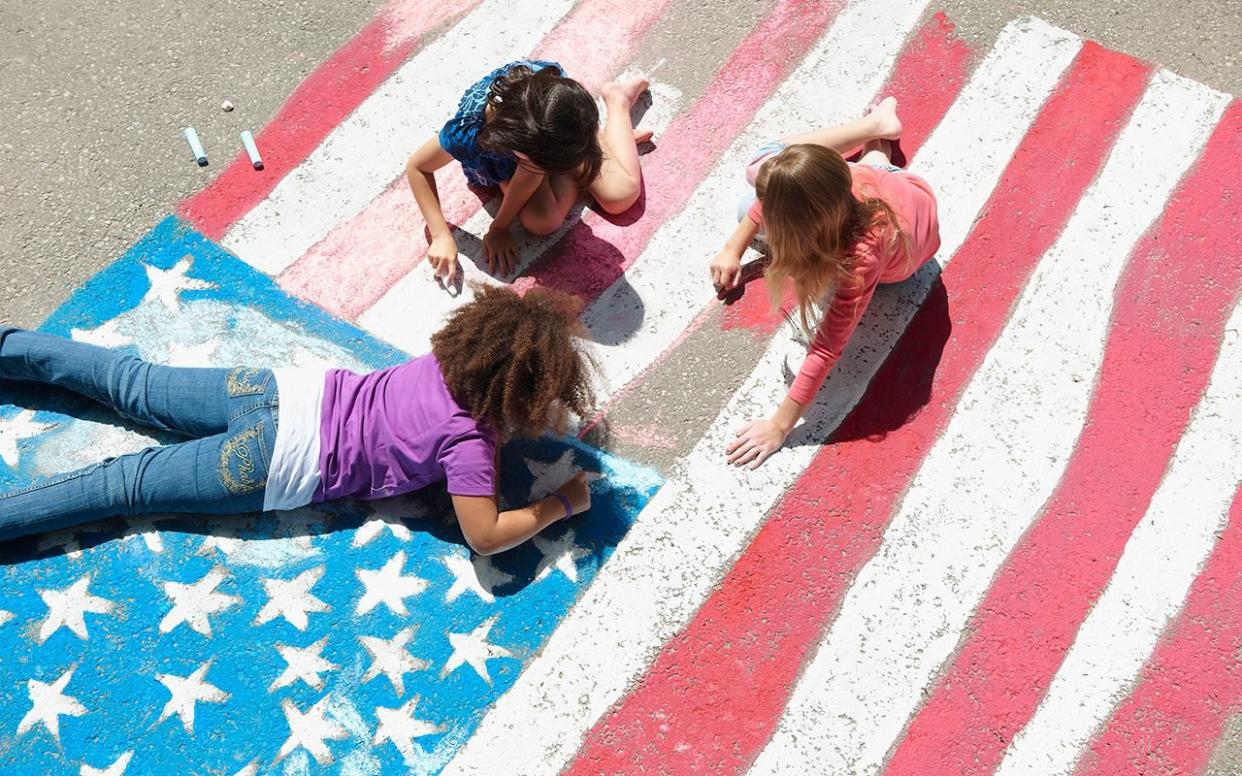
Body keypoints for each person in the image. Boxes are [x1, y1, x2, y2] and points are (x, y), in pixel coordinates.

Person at [0, 286, 598, 555]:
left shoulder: (449, 359)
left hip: (271, 394)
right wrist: (563, 502)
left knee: (131, 382)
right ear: (517, 395)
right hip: (275, 464)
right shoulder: (471, 442)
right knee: (121, 485)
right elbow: (485, 536)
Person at [709, 98, 940, 468]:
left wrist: (780, 427)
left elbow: (825, 350)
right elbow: (770, 205)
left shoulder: (858, 260)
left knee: (759, 186)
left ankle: (876, 138)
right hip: (887, 184)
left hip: (903, 255)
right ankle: (876, 136)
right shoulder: (837, 188)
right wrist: (731, 249)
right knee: (758, 177)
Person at [406, 60, 651, 285]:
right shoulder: (469, 135)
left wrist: (499, 227)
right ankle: (607, 143)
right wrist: (441, 234)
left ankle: (616, 103)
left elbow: (532, 169)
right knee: (544, 222)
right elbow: (418, 167)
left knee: (621, 195)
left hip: (555, 134)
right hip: (517, 154)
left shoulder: (554, 102)